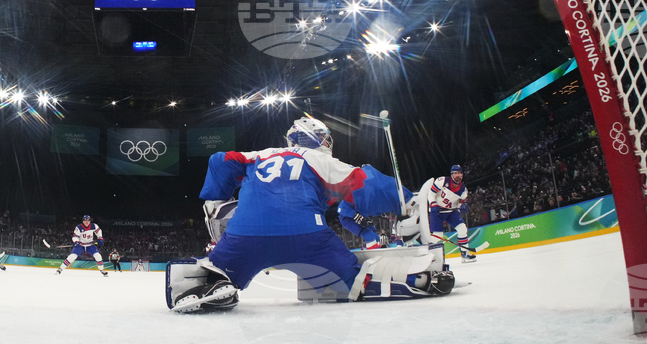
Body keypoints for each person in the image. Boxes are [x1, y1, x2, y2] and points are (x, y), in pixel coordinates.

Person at [166, 116, 453, 313]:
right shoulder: (319, 159)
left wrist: (217, 204)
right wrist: (404, 201)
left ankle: (217, 282)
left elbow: (221, 160)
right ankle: (421, 280)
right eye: (326, 139)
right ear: (317, 138)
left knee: (220, 270)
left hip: (245, 237)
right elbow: (363, 184)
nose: (328, 145)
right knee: (351, 283)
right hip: (307, 236)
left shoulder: (260, 154)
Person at [428, 164, 475, 261]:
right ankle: (428, 255)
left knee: (462, 229)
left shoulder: (463, 190)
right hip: (437, 210)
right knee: (438, 235)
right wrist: (433, 204)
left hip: (450, 212)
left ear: (462, 175)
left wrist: (462, 206)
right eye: (455, 173)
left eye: (459, 173)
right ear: (451, 175)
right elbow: (431, 193)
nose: (457, 175)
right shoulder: (442, 181)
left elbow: (459, 203)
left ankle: (465, 254)